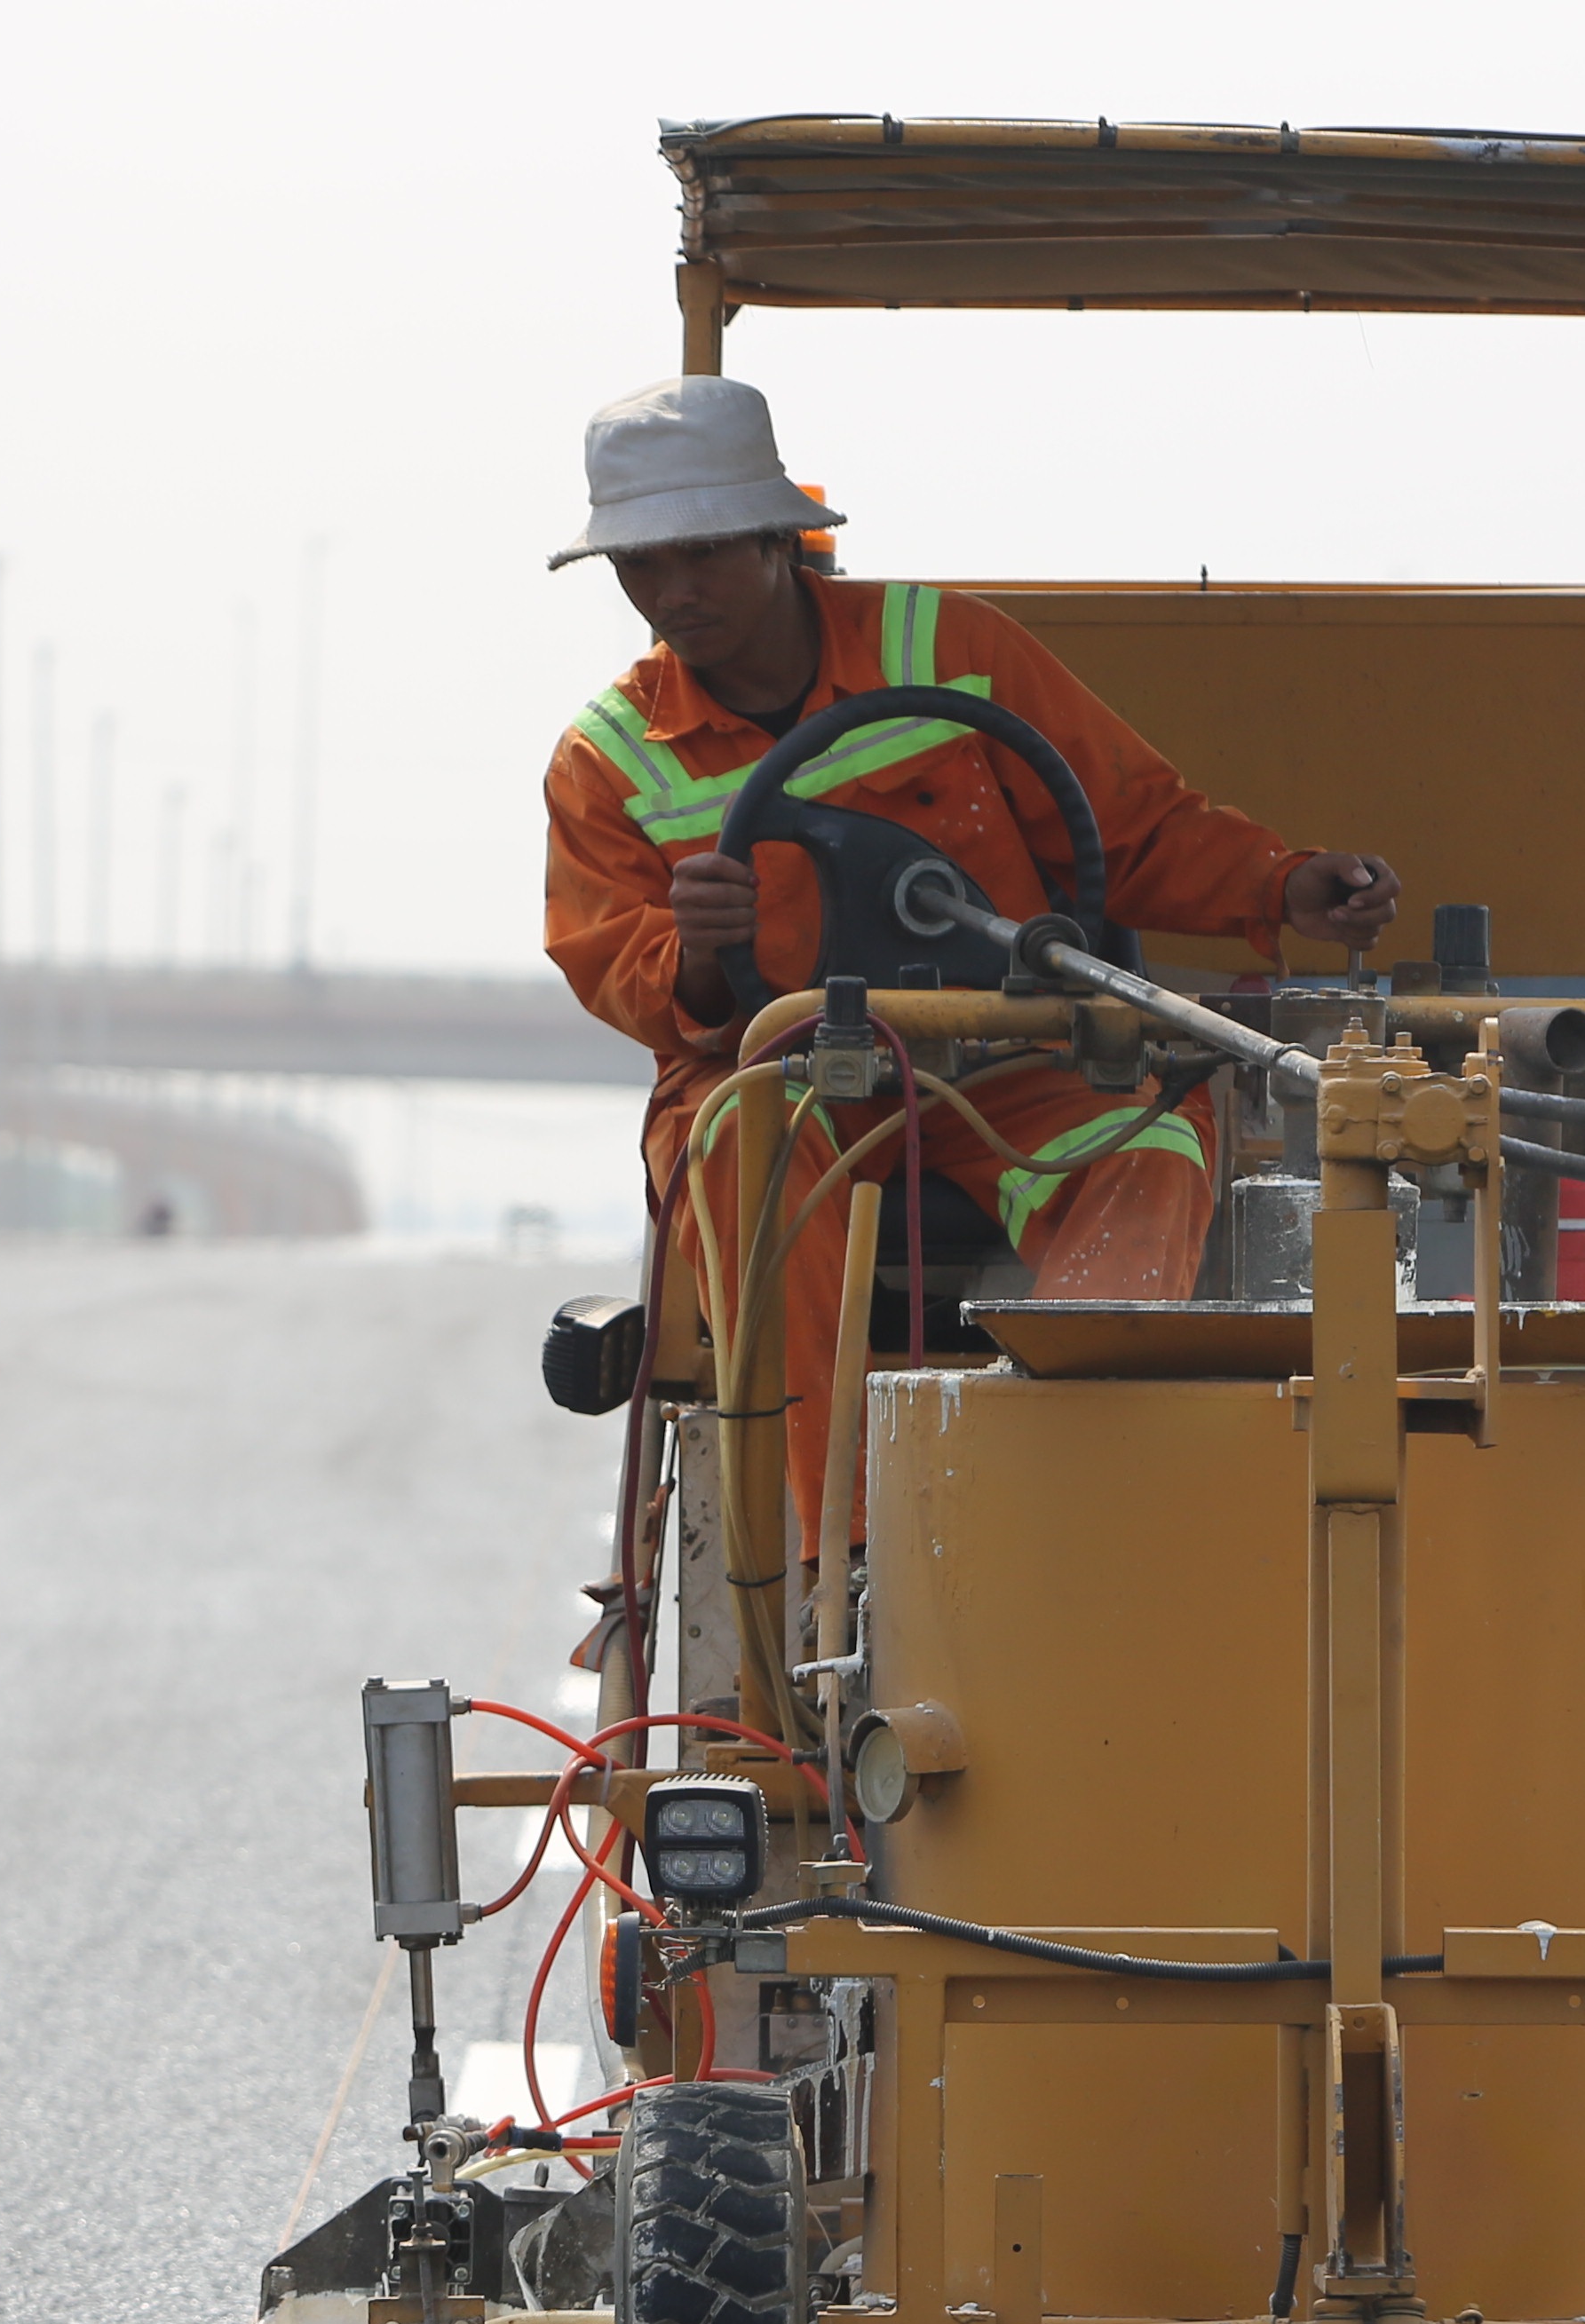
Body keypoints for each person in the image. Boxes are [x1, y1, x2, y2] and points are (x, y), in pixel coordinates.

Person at [539, 374, 1407, 1491]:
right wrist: (701, 954)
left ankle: (1068, 1489)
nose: (671, 589)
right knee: (746, 1158)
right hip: (765, 1075)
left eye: (698, 552)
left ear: (777, 539)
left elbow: (1130, 824)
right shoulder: (607, 761)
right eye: (641, 564)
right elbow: (617, 965)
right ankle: (828, 1557)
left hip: (992, 1061)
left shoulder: (946, 648)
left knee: (1150, 1145)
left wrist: (1284, 886)